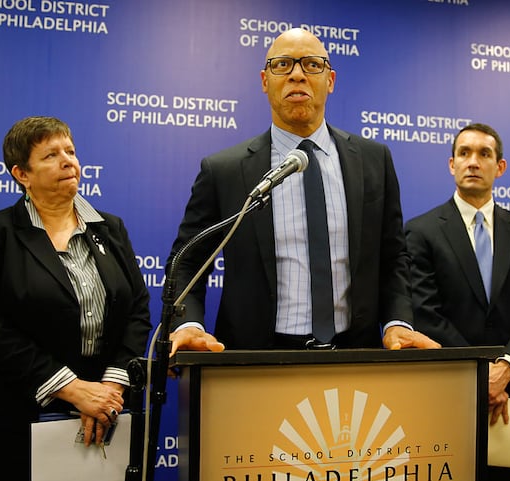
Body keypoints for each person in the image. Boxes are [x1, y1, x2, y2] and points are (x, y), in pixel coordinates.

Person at [168, 28, 437, 353]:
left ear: (331, 80)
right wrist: (188, 324)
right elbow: (187, 261)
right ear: (265, 81)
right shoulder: (224, 170)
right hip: (256, 359)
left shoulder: (374, 160)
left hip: (355, 355)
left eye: (312, 65)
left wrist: (397, 322)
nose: (297, 75)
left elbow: (394, 256)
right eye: (283, 65)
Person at [0, 116, 151, 481]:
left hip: (98, 417)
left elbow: (137, 310)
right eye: (51, 155)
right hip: (8, 420)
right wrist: (72, 388)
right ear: (21, 174)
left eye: (71, 152)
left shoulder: (110, 228)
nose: (68, 161)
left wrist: (110, 389)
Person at [404, 123, 510, 481]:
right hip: (448, 392)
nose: (474, 161)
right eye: (465, 153)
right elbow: (425, 314)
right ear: (451, 164)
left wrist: (505, 368)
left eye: (484, 154)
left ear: (500, 167)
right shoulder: (420, 233)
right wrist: (479, 374)